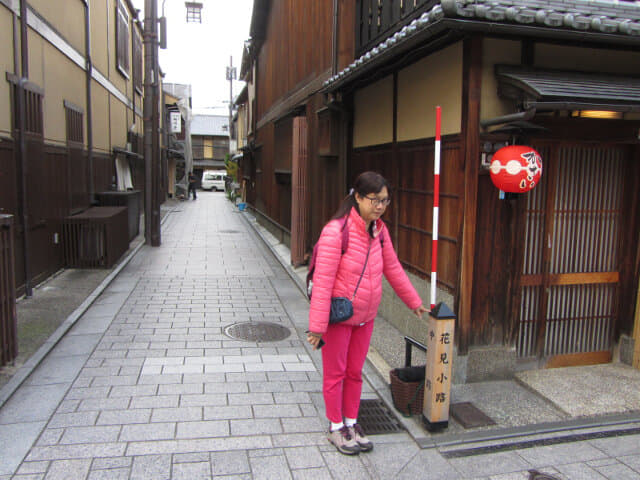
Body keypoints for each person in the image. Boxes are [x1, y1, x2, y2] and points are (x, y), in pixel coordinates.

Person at [307, 171, 427, 455]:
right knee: (335, 374)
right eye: (374, 200)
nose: (380, 206)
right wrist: (317, 326)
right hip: (339, 316)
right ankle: (336, 427)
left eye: (385, 201)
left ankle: (352, 422)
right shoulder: (335, 231)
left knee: (355, 372)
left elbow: (393, 268)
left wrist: (414, 301)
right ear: (357, 197)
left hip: (365, 317)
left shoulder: (380, 232)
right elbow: (323, 281)